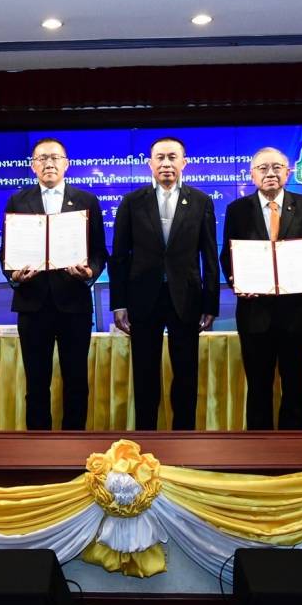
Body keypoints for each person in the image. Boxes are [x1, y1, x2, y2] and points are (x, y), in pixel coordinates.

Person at [109, 137, 219, 430]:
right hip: (143, 298)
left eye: (172, 157)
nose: (166, 163)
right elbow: (119, 257)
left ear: (184, 162)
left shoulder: (201, 201)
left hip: (187, 298)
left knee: (186, 374)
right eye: (160, 158)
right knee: (145, 374)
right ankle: (146, 438)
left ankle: (185, 439)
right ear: (150, 164)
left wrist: (210, 303)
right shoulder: (132, 202)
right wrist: (118, 303)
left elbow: (209, 255)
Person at [0, 138, 107, 430]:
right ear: (33, 166)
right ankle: (38, 447)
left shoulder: (86, 201)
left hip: (74, 304)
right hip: (33, 305)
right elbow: (6, 252)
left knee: (76, 382)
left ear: (66, 164)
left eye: (55, 158)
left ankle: (74, 446)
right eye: (42, 158)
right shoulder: (18, 201)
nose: (49, 163)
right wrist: (13, 275)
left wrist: (90, 272)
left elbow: (99, 252)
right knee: (36, 383)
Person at [220, 147, 302, 430]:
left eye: (277, 167)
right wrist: (237, 282)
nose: (270, 173)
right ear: (252, 175)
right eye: (263, 168)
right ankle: (259, 448)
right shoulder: (237, 210)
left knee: (295, 386)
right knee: (258, 386)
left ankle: (294, 448)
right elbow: (227, 256)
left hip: (295, 313)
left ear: (288, 172)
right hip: (255, 314)